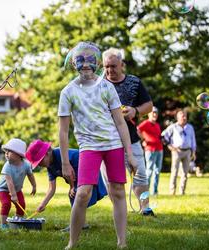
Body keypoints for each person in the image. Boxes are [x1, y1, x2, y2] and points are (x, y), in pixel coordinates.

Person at [59, 41, 137, 249]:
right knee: (83, 193)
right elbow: (63, 131)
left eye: (90, 60)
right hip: (89, 148)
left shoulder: (106, 87)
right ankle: (72, 243)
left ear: (97, 63)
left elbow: (120, 122)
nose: (85, 64)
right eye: (80, 60)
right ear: (74, 64)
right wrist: (65, 163)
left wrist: (130, 154)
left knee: (118, 190)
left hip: (113, 145)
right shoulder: (68, 92)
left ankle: (122, 243)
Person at [102, 48, 154, 216]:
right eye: (106, 66)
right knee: (111, 180)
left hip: (130, 139)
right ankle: (119, 210)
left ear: (122, 65)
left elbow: (149, 105)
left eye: (113, 66)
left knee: (140, 174)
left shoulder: (134, 82)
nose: (110, 70)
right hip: (105, 140)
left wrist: (135, 111)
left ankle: (145, 208)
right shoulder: (98, 83)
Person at [25, 139, 107, 231]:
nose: (39, 165)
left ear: (47, 154)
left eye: (40, 162)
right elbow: (51, 188)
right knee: (75, 195)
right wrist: (43, 204)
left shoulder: (60, 155)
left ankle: (76, 225)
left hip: (85, 165)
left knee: (76, 194)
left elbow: (70, 172)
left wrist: (72, 187)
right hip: (75, 176)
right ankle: (81, 224)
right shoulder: (50, 166)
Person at [0, 138, 36, 229]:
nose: (6, 153)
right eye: (6, 151)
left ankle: (17, 221)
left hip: (17, 189)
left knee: (21, 204)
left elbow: (30, 175)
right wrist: (13, 195)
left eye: (9, 151)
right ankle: (3, 224)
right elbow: (9, 182)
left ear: (18, 155)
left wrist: (34, 186)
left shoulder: (26, 165)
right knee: (6, 204)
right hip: (3, 189)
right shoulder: (7, 166)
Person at [162, 109, 196, 195]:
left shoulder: (190, 127)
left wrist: (194, 152)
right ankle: (172, 191)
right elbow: (163, 135)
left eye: (185, 116)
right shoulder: (173, 127)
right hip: (177, 151)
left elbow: (193, 140)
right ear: (178, 118)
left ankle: (182, 192)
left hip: (187, 151)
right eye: (182, 116)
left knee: (185, 173)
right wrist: (170, 146)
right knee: (174, 172)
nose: (184, 118)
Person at [137, 106, 163, 195]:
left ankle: (155, 191)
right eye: (153, 112)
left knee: (157, 171)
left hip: (159, 149)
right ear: (149, 114)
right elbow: (137, 130)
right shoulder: (145, 123)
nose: (155, 114)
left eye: (156, 113)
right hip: (150, 150)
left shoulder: (157, 125)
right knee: (149, 170)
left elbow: (158, 136)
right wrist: (143, 140)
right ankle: (146, 191)